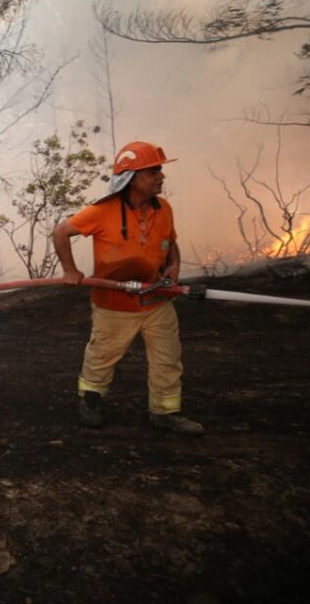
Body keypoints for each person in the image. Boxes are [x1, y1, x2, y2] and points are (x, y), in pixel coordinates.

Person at [52, 141, 203, 435]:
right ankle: (91, 401)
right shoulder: (102, 211)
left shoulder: (164, 209)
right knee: (102, 356)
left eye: (160, 170)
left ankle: (165, 412)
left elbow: (170, 244)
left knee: (167, 359)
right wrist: (70, 270)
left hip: (157, 301)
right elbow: (60, 232)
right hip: (114, 304)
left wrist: (172, 268)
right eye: (153, 171)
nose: (161, 176)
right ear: (132, 178)